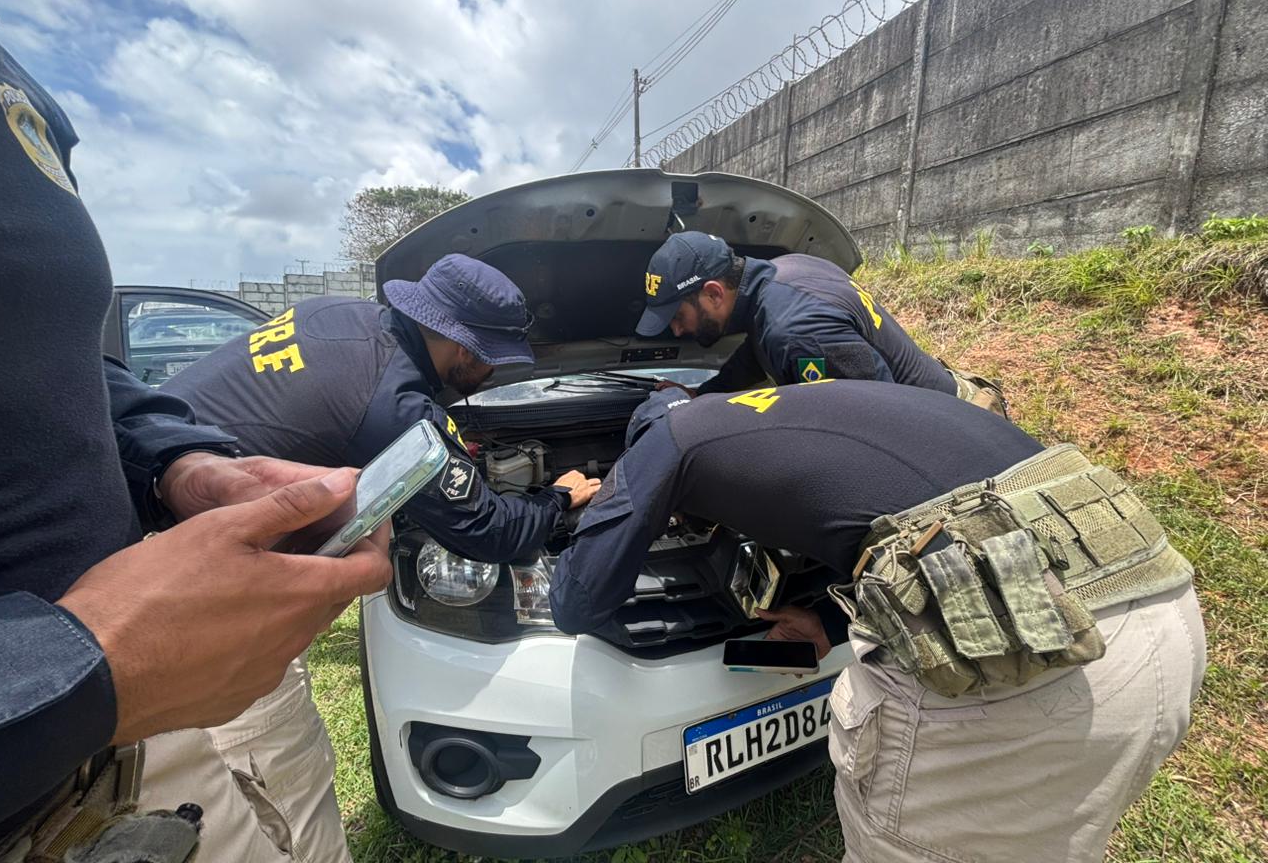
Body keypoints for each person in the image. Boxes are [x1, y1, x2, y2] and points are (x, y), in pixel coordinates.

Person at [0, 0, 391, 859]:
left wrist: (184, 465)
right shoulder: (392, 380)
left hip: (130, 747)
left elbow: (60, 368)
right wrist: (81, 665)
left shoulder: (22, 91)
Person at [550, 383, 1204, 862]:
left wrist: (576, 499)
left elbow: (575, 604)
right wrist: (830, 634)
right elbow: (889, 525)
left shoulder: (664, 440)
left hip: (1038, 656)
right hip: (1155, 614)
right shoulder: (804, 405)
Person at [152, 254, 600, 861]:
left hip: (154, 486)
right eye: (491, 354)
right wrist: (558, 498)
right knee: (281, 765)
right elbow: (492, 532)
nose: (493, 371)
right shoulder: (391, 401)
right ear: (462, 344)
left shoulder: (338, 316)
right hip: (192, 583)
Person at [635, 231, 1007, 414]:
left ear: (714, 293)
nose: (677, 331)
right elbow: (756, 353)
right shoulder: (787, 271)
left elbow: (883, 418)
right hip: (948, 397)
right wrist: (701, 393)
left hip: (953, 426)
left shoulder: (796, 331)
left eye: (678, 316)